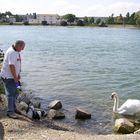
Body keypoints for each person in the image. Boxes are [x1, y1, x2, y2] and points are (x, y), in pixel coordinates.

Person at [0, 40, 25, 119]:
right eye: (22, 47)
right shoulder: (12, 52)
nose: (23, 49)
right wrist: (15, 78)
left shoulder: (16, 51)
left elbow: (16, 64)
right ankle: (10, 112)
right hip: (8, 77)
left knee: (15, 92)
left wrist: (18, 74)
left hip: (13, 76)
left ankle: (13, 108)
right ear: (19, 45)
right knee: (10, 94)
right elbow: (11, 66)